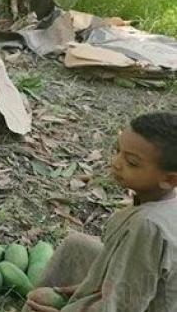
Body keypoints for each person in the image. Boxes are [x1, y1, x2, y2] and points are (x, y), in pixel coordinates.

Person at [24, 112, 177, 312]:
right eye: (118, 151)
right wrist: (90, 286)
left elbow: (127, 303)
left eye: (131, 162)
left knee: (37, 302)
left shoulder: (147, 226)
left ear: (169, 180)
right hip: (144, 288)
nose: (116, 163)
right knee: (76, 245)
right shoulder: (163, 198)